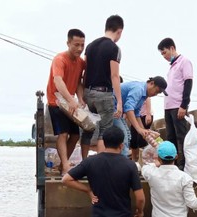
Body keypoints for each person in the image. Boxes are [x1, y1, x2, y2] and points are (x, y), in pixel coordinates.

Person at [82, 15, 124, 156]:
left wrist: (83, 95)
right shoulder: (114, 48)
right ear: (119, 31)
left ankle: (85, 162)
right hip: (104, 94)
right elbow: (114, 76)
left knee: (88, 129)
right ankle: (101, 164)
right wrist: (119, 101)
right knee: (104, 131)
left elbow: (85, 71)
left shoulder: (90, 46)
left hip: (88, 92)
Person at [46, 29, 86, 174]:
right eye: (76, 45)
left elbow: (79, 83)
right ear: (68, 43)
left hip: (70, 102)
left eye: (82, 45)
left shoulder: (81, 62)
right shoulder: (60, 59)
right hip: (56, 101)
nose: (80, 49)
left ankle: (63, 164)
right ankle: (65, 166)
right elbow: (58, 81)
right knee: (63, 134)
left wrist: (80, 98)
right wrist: (70, 99)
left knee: (75, 135)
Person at [157, 37, 193, 170]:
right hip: (168, 107)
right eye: (162, 54)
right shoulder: (172, 66)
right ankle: (171, 166)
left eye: (164, 52)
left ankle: (182, 167)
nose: (164, 56)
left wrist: (184, 105)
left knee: (181, 137)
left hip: (178, 106)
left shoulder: (185, 62)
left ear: (172, 48)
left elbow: (188, 84)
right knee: (171, 137)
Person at [113, 76, 168, 158]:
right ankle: (123, 164)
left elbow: (136, 113)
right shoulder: (139, 89)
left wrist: (143, 131)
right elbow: (129, 108)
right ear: (151, 83)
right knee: (123, 135)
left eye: (158, 93)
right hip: (110, 106)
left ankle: (121, 160)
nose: (155, 95)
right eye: (156, 91)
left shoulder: (144, 95)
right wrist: (139, 129)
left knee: (128, 135)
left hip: (117, 110)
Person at [130, 97, 153, 162]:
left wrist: (148, 114)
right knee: (133, 140)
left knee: (142, 139)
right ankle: (134, 160)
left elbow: (148, 99)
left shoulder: (141, 89)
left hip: (145, 115)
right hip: (134, 117)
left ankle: (144, 160)